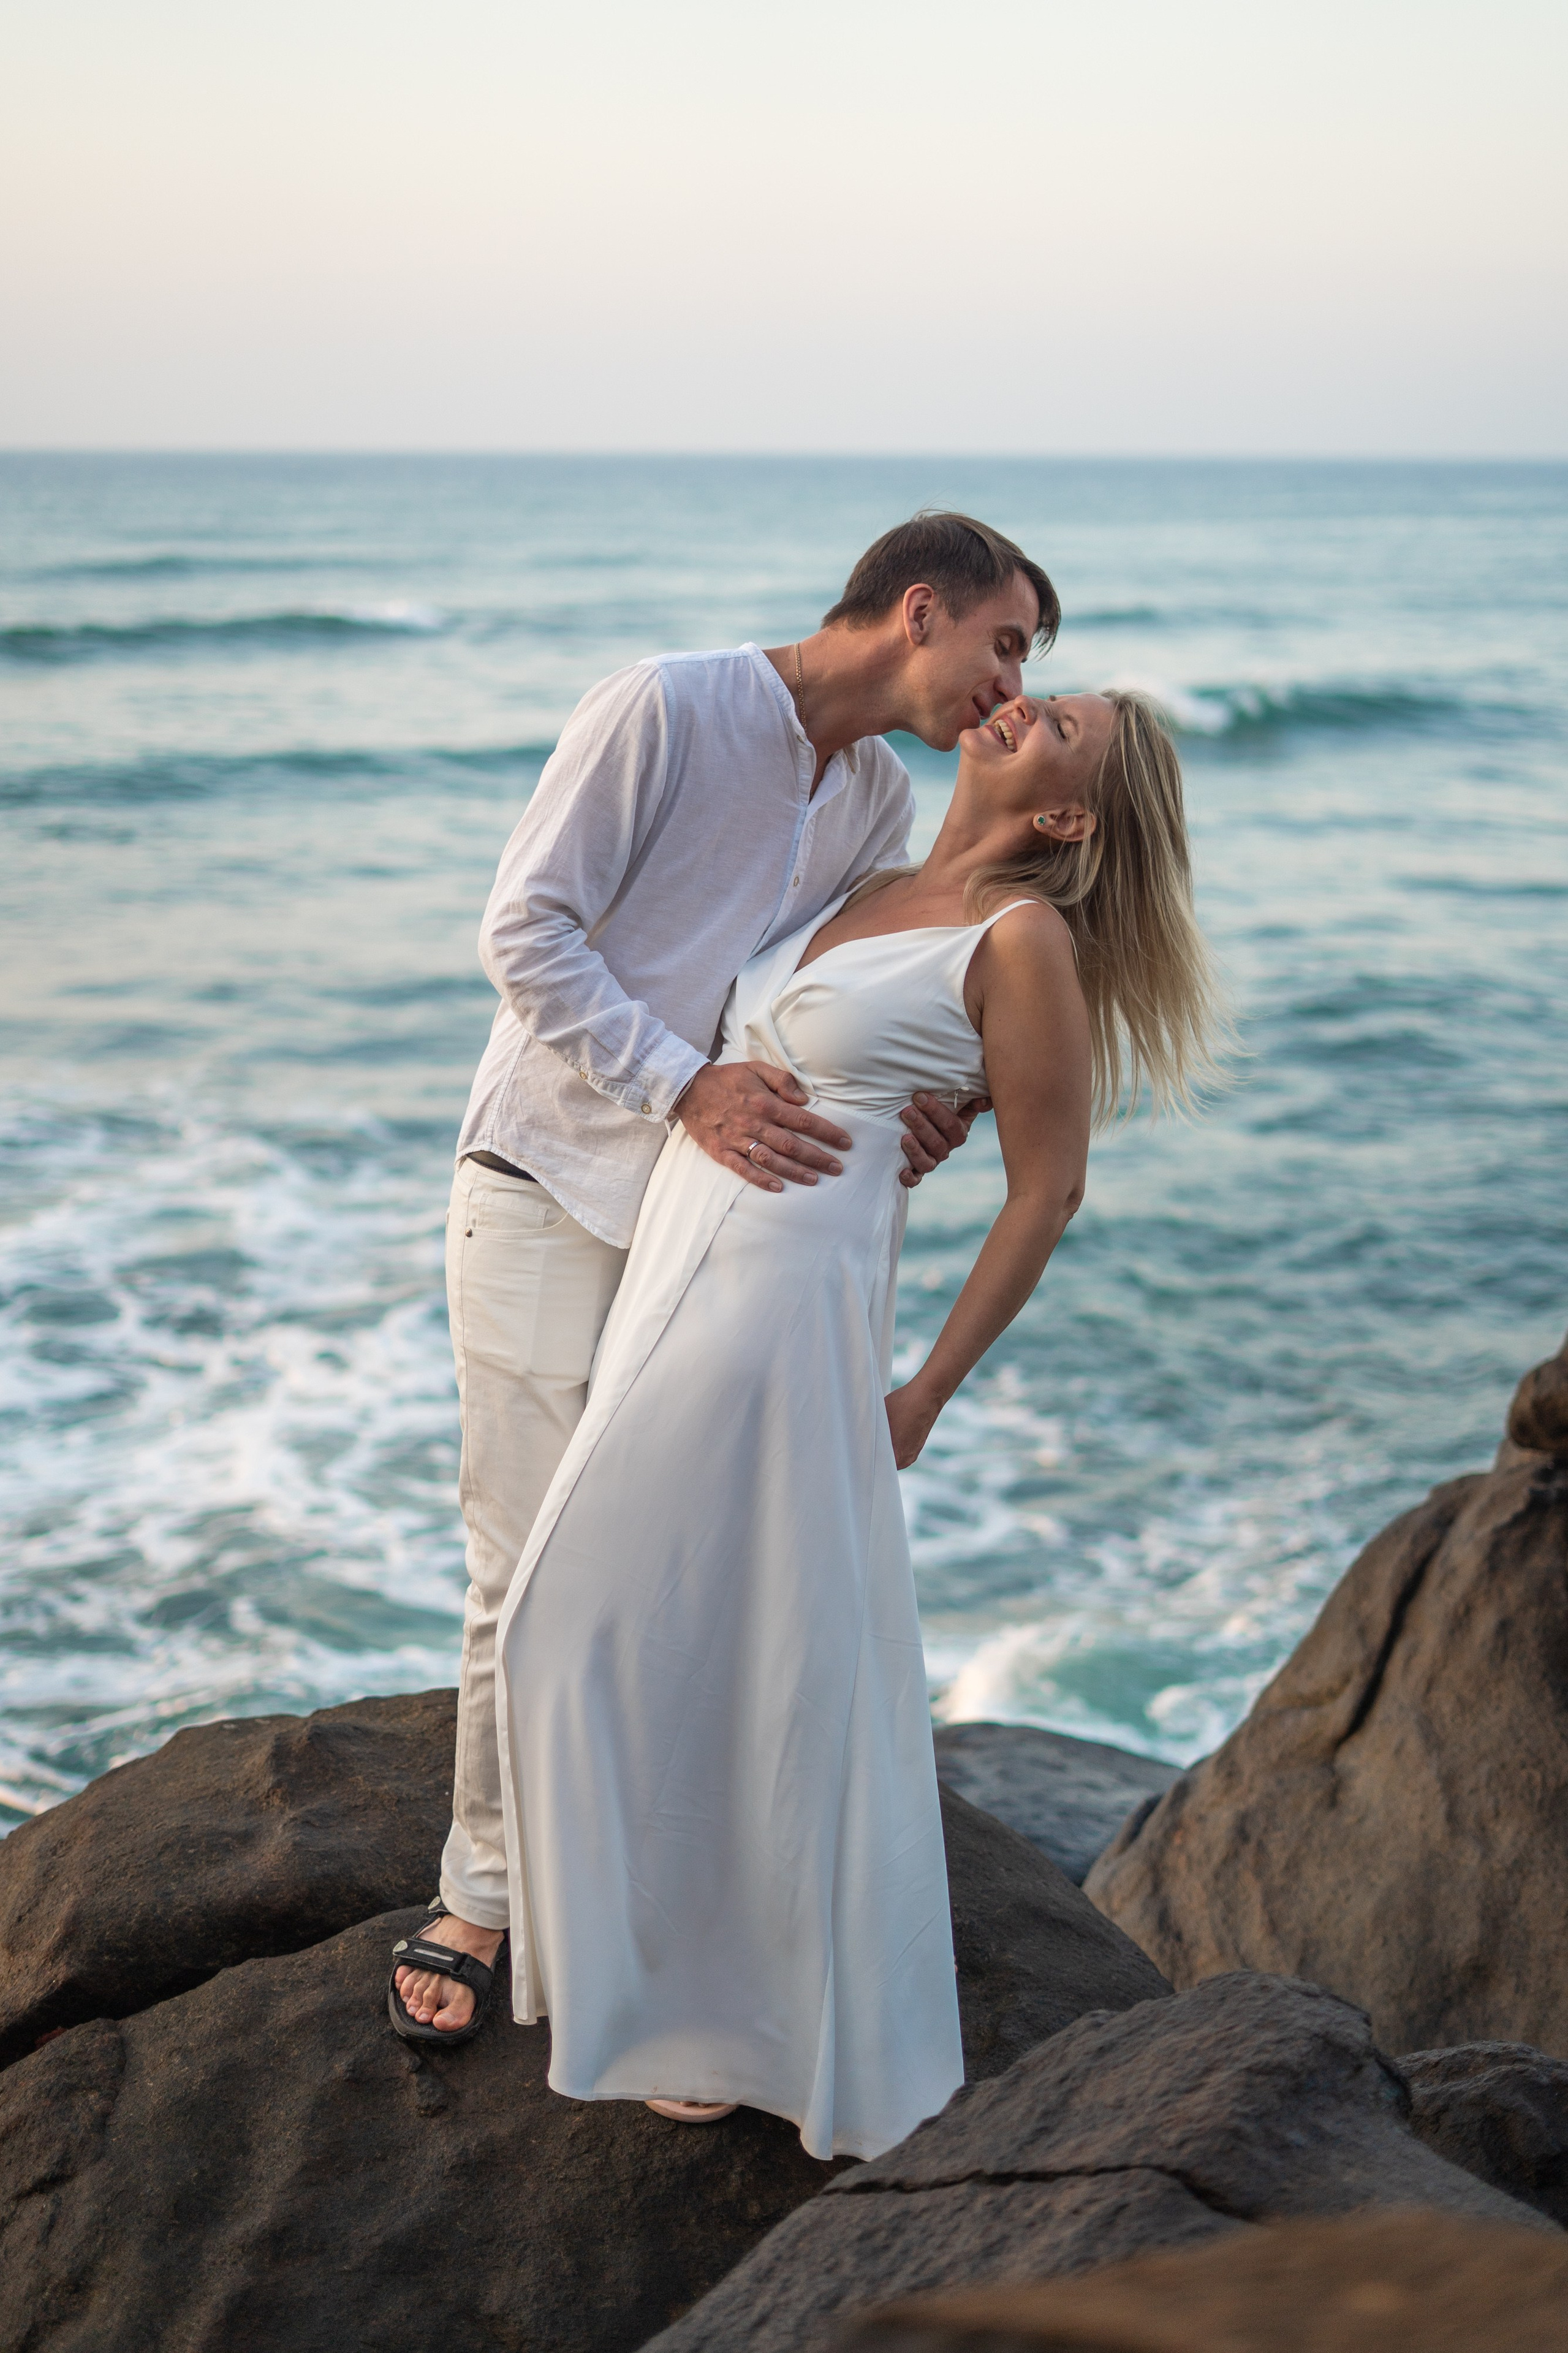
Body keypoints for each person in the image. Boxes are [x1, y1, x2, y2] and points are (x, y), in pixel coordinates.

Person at [483, 686, 1223, 2159]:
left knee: (625, 1616)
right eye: (1022, 678)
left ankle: (722, 2008)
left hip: (785, 1300)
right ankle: (676, 1977)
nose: (1018, 698)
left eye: (1056, 717)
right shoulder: (865, 874)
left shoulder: (1022, 940)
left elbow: (1047, 1186)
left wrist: (928, 1386)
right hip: (679, 1265)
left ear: (1069, 814)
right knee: (634, 1620)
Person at [390, 513, 1061, 2043]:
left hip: (703, 1232)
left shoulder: (876, 800)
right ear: (918, 611)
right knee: (533, 1559)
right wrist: (679, 1083)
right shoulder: (666, 706)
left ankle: (635, 1910)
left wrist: (915, 1093)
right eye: (1007, 643)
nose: (1011, 685)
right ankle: (484, 1894)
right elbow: (525, 932)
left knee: (659, 1572)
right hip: (549, 1182)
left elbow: (809, 997)